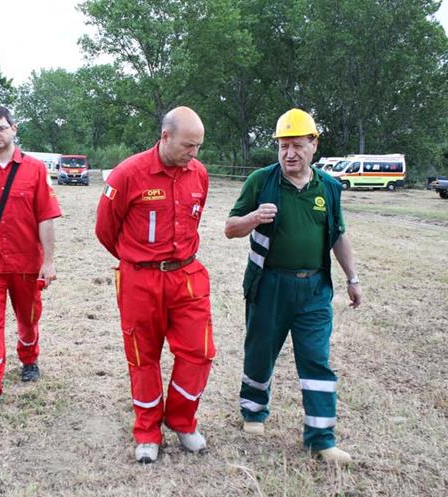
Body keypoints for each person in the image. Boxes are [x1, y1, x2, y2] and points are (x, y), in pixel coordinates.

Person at [224, 108, 362, 464]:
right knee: (260, 351)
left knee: (317, 361)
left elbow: (338, 235)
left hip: (314, 289)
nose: (289, 154)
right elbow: (230, 228)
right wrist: (254, 217)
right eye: (283, 146)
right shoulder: (261, 181)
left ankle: (321, 438)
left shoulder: (329, 187)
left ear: (314, 145)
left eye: (297, 145)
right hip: (269, 285)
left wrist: (352, 278)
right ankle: (254, 412)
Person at [95, 106, 215, 464]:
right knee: (142, 356)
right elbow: (105, 229)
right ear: (165, 136)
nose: (193, 153)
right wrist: (138, 260)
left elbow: (194, 219)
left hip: (186, 276)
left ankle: (181, 419)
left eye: (198, 146)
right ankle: (147, 431)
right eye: (187, 146)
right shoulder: (128, 174)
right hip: (140, 279)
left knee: (199, 352)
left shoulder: (199, 174)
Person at [0, 105, 61, 418]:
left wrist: (49, 261)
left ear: (13, 129)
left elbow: (46, 218)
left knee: (28, 319)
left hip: (27, 263)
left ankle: (29, 357)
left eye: (1, 128)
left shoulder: (35, 170)